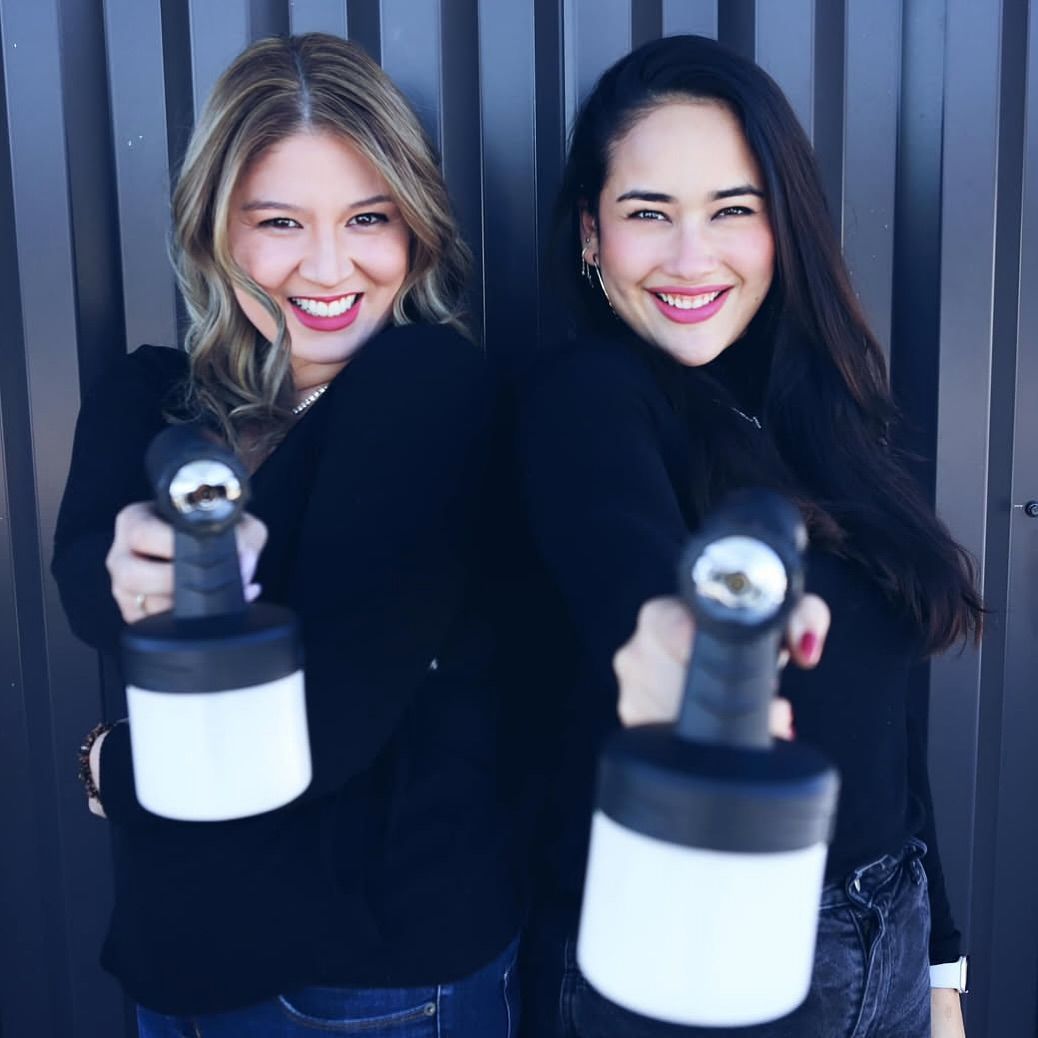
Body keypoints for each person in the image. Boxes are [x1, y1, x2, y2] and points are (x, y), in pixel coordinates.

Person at [52, 33, 520, 1036]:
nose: (328, 266)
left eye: (367, 218)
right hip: (177, 964)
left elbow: (319, 732)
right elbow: (87, 586)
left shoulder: (430, 391)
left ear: (418, 229)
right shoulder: (150, 399)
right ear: (216, 233)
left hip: (371, 982)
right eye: (279, 222)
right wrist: (133, 561)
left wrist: (110, 767)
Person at [516, 33, 980, 1038]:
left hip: (885, 932)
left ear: (784, 226)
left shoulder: (827, 416)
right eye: (650, 214)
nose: (693, 257)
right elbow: (628, 570)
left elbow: (892, 720)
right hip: (695, 947)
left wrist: (941, 967)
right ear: (591, 235)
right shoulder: (587, 399)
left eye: (734, 209)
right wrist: (681, 652)